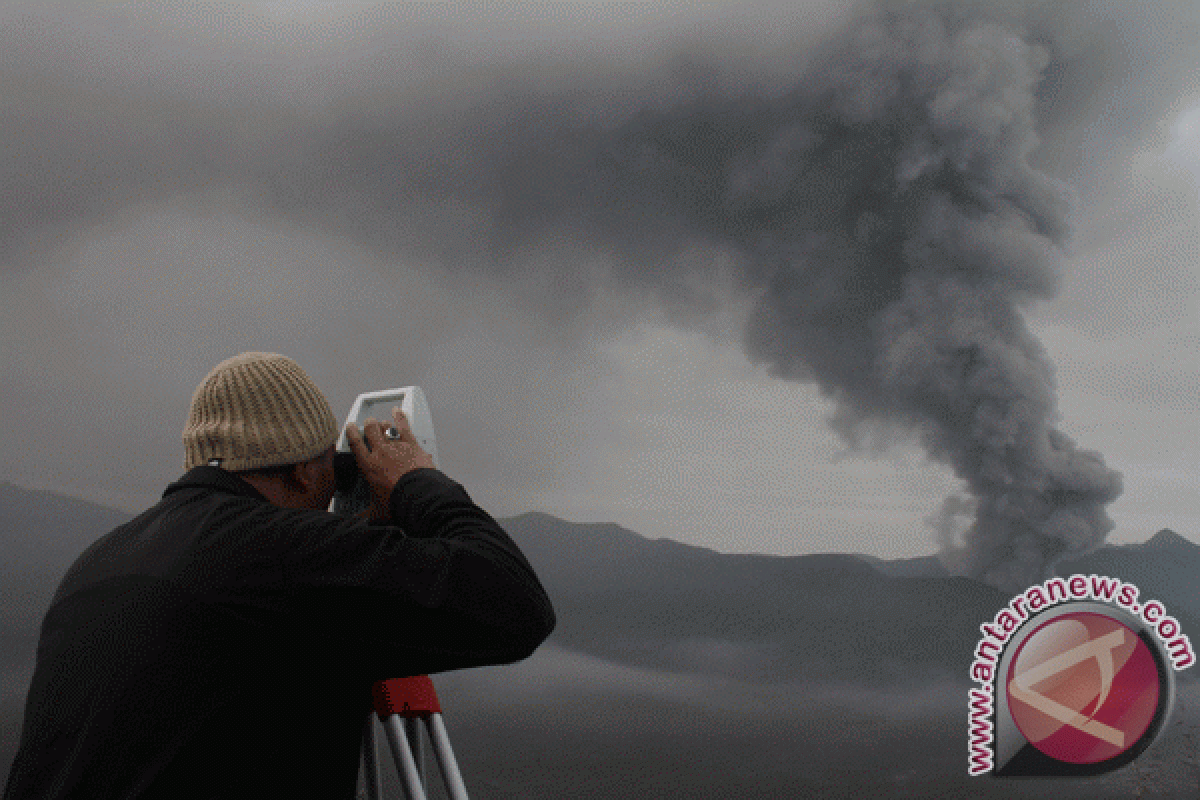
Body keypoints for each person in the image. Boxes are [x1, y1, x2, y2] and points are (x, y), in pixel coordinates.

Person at [4, 352, 556, 799]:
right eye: (329, 469)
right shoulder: (283, 557)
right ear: (301, 467)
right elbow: (515, 605)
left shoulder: (98, 560)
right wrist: (416, 483)